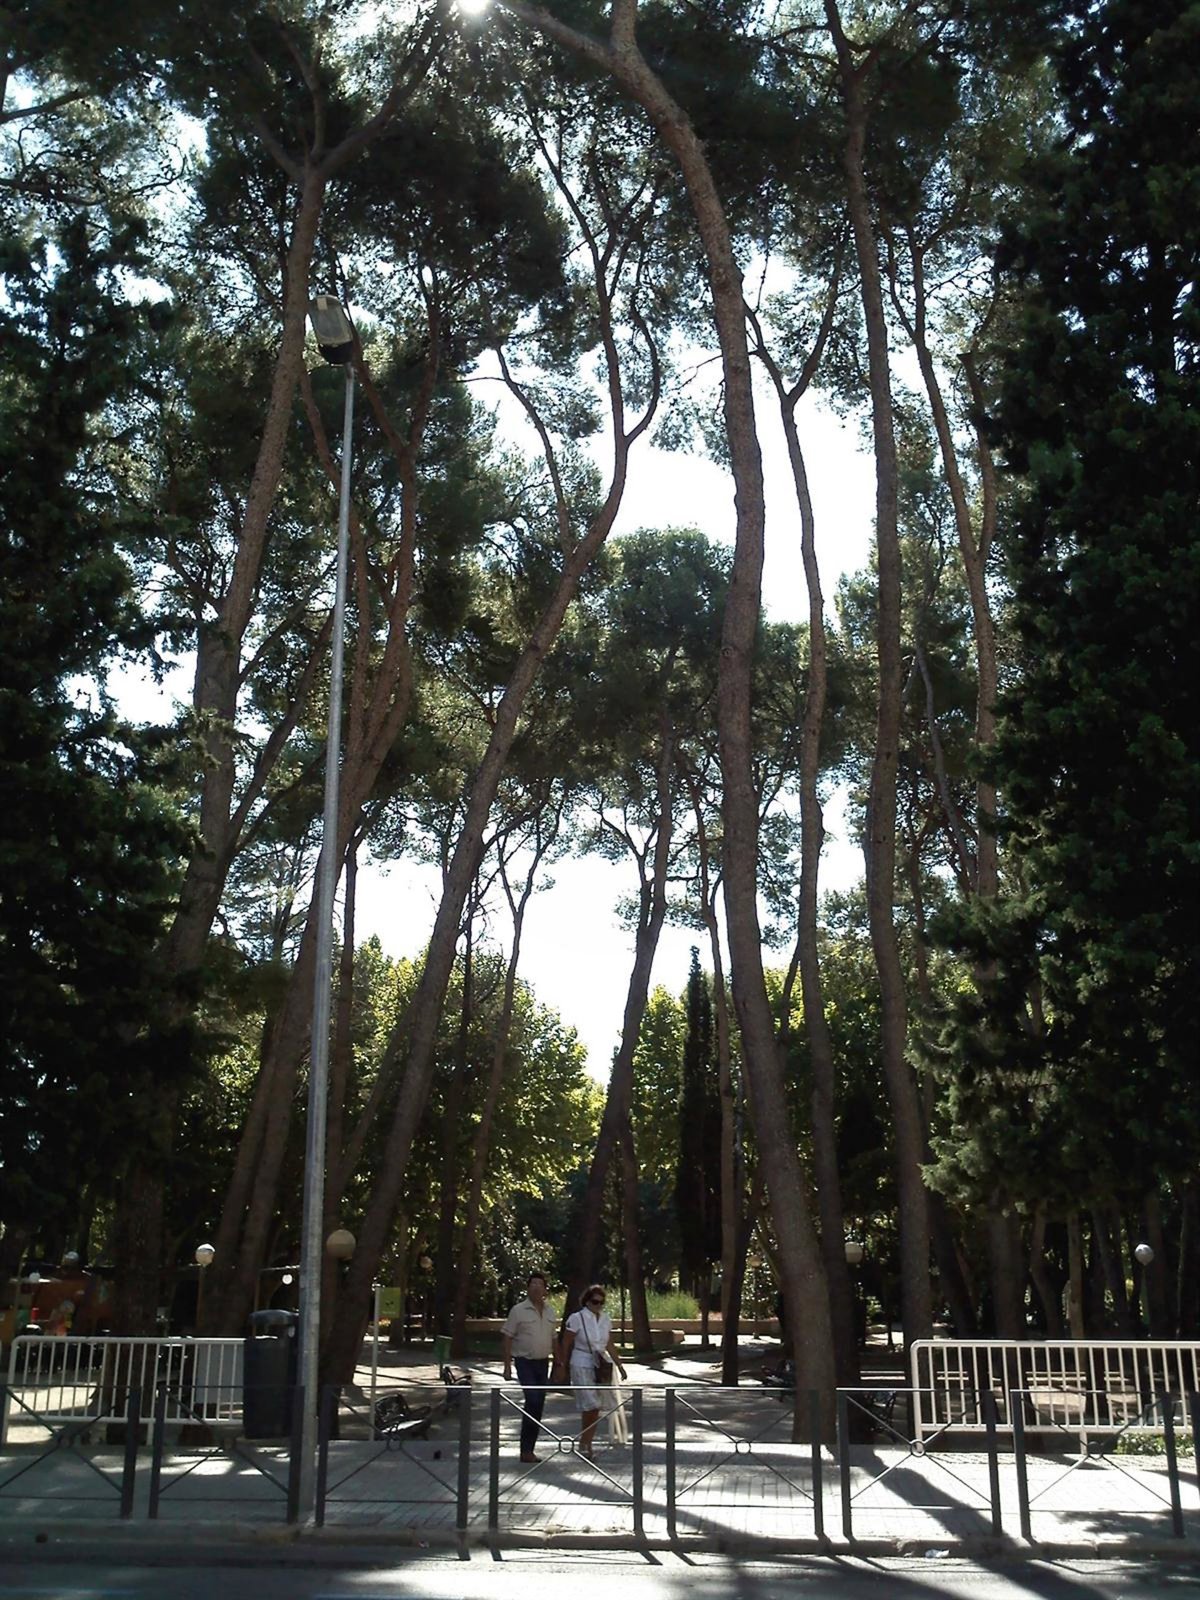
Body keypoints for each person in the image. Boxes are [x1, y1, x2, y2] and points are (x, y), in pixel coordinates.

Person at [562, 1283, 627, 1460]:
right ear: (587, 1301)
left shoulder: (605, 1319)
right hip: (581, 1361)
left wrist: (619, 1365)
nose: (598, 1305)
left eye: (601, 1302)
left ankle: (586, 1442)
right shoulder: (577, 1318)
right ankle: (585, 1443)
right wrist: (561, 1365)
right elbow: (566, 1342)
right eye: (595, 1302)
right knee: (590, 1404)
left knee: (597, 1406)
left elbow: (609, 1344)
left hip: (600, 1363)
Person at [501, 1271, 556, 1462]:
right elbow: (507, 1337)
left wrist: (560, 1363)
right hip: (524, 1361)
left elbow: (554, 1338)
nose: (536, 1287)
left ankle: (528, 1450)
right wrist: (507, 1366)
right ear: (528, 1287)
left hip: (543, 1362)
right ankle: (525, 1449)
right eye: (533, 1284)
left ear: (545, 1289)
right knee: (532, 1399)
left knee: (538, 1404)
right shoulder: (518, 1311)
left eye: (540, 1284)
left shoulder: (550, 1311)